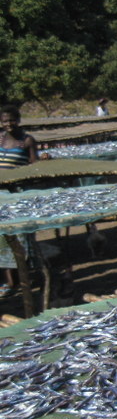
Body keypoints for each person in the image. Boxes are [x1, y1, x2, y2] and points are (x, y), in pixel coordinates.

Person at [0, 105, 41, 296]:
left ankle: (28, 277)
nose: (9, 124)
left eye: (12, 120)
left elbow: (35, 167)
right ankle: (10, 282)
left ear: (19, 120)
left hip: (17, 194)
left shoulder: (27, 141)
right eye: (5, 120)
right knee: (3, 239)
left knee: (22, 238)